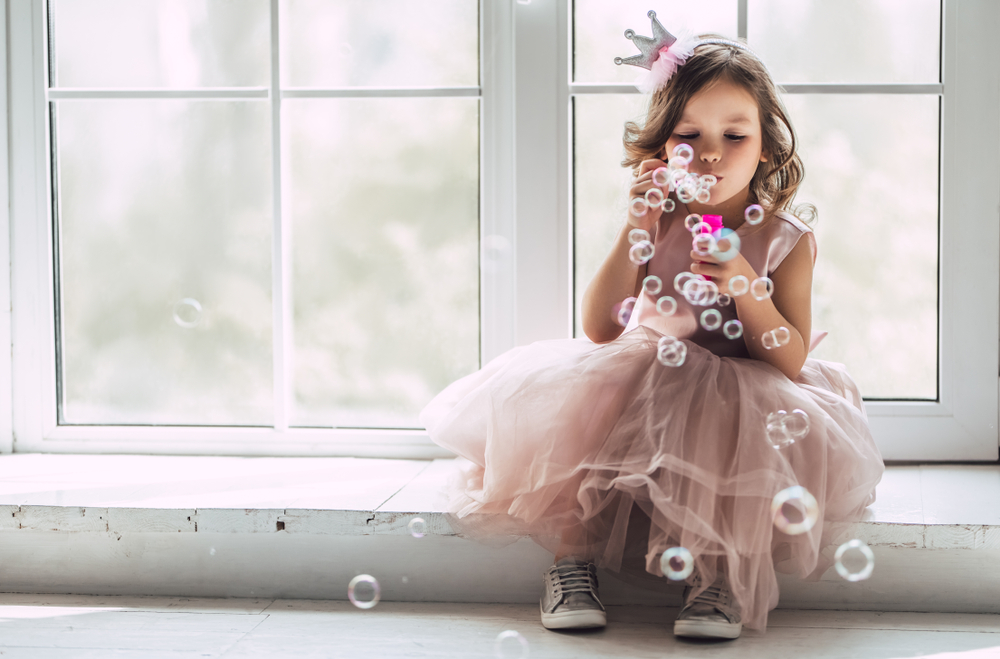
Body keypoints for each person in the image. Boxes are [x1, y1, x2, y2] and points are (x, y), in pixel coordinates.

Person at [419, 12, 884, 640]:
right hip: (649, 368)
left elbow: (790, 360)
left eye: (735, 135)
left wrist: (745, 283)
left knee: (735, 434)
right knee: (586, 406)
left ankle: (717, 580)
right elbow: (600, 330)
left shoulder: (785, 240)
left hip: (748, 386)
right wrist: (636, 227)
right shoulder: (659, 220)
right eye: (690, 133)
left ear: (768, 147)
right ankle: (572, 562)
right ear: (663, 147)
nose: (712, 152)